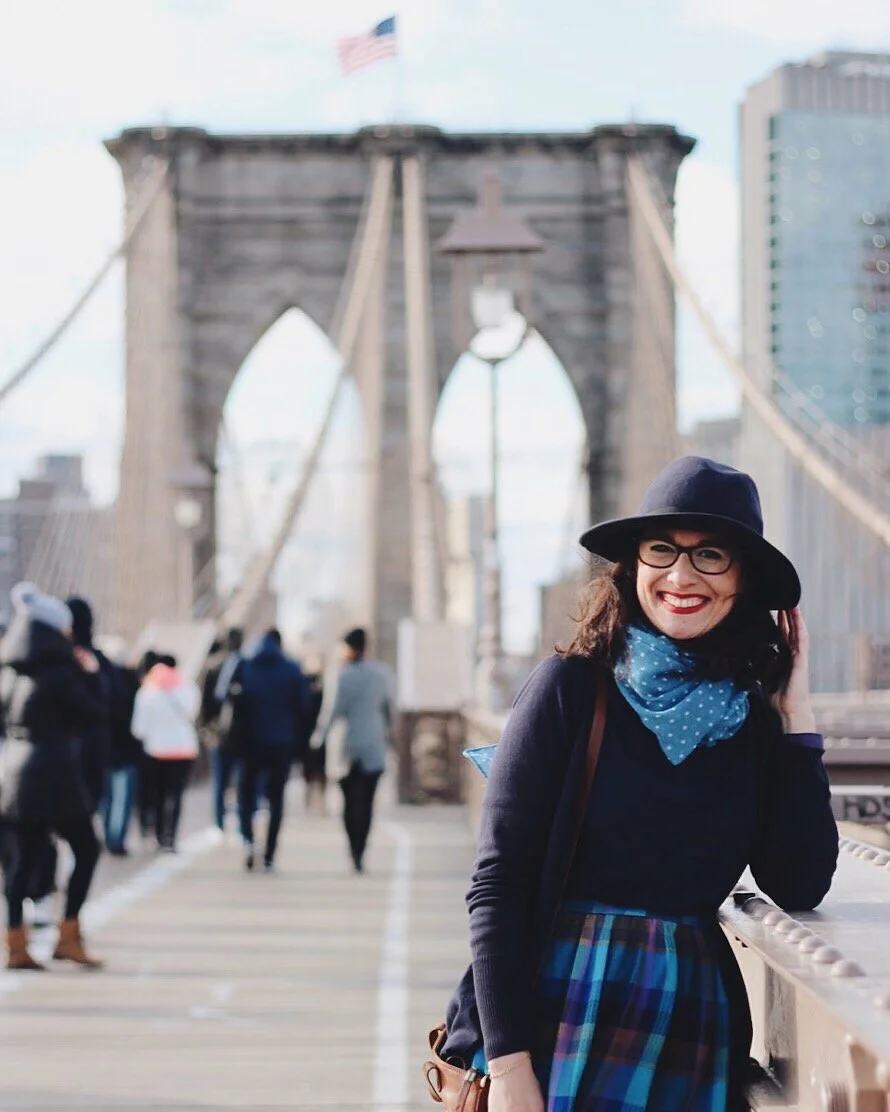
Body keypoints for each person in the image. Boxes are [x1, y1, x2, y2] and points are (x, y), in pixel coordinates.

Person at [440, 456, 839, 1112]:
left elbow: (799, 884)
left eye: (710, 555)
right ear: (633, 567)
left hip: (689, 1020)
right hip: (559, 1011)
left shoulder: (750, 718)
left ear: (743, 578)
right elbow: (500, 882)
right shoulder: (571, 688)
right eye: (662, 550)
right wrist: (509, 1066)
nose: (681, 576)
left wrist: (797, 720)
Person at [0, 584, 106, 970]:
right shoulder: (61, 672)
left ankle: (15, 943)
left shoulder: (10, 672)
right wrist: (91, 674)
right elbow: (94, 713)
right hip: (54, 773)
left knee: (22, 859)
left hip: (15, 774)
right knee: (87, 848)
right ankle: (69, 934)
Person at [67, 597, 141, 856]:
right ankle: (113, 839)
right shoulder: (98, 664)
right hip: (99, 751)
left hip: (59, 758)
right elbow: (114, 705)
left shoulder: (50, 661)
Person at [318, 628, 393, 874]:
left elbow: (332, 711)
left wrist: (319, 737)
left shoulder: (340, 675)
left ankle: (353, 849)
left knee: (349, 802)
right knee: (368, 802)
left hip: (346, 746)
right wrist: (389, 737)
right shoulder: (381, 674)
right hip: (373, 743)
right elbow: (389, 709)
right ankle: (361, 848)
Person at [236, 629, 310, 872]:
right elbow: (304, 707)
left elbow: (229, 701)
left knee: (246, 794)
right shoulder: (291, 669)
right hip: (281, 742)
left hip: (249, 742)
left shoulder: (245, 666)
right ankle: (269, 854)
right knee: (276, 799)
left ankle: (248, 840)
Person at [130, 653, 200, 853]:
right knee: (175, 795)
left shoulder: (147, 690)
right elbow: (193, 714)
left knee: (158, 794)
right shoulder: (188, 687)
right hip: (184, 749)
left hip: (156, 750)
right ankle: (171, 836)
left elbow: (138, 729)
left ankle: (159, 834)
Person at [202, 628, 246, 835]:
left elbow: (206, 704)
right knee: (239, 782)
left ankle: (219, 823)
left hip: (218, 732)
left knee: (220, 782)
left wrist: (206, 728)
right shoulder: (245, 665)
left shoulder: (213, 666)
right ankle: (238, 824)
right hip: (238, 734)